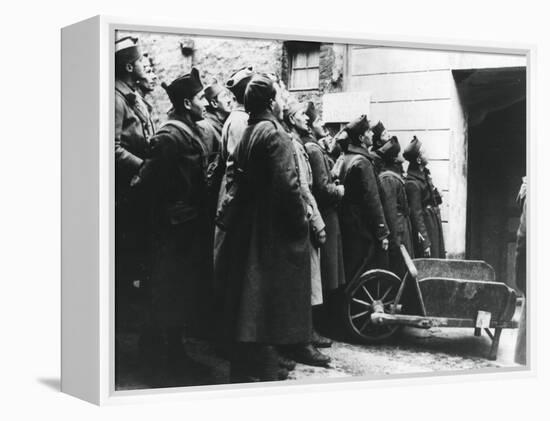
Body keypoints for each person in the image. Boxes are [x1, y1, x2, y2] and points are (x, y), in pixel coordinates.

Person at [214, 74, 312, 382]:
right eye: (280, 97)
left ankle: (250, 364)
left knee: (251, 300)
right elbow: (289, 186)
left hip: (251, 225)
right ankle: (264, 368)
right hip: (270, 230)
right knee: (269, 302)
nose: (283, 102)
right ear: (271, 103)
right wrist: (300, 222)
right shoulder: (274, 134)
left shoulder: (252, 130)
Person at [137, 68, 213, 369]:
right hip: (169, 234)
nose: (205, 103)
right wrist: (166, 219)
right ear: (185, 103)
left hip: (186, 230)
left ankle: (175, 354)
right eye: (199, 98)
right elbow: (146, 186)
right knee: (163, 295)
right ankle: (154, 364)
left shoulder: (189, 130)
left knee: (179, 295)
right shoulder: (169, 137)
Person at [114, 36, 156, 369]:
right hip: (126, 194)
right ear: (130, 66)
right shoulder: (114, 99)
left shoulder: (134, 97)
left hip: (140, 191)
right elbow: (111, 147)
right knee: (125, 269)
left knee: (138, 269)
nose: (146, 66)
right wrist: (144, 166)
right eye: (143, 61)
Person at [284, 101, 332, 366]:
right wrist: (318, 222)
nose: (306, 118)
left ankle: (307, 335)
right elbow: (303, 187)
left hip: (305, 215)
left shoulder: (298, 144)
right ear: (292, 119)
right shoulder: (293, 144)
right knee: (305, 282)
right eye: (302, 114)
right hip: (303, 217)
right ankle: (302, 341)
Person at [336, 115, 390, 283]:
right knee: (363, 271)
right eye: (368, 132)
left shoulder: (344, 158)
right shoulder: (363, 162)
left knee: (350, 269)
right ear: (361, 138)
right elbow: (373, 200)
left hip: (347, 224)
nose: (372, 134)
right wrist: (383, 233)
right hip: (362, 227)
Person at [303, 102, 346, 292]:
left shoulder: (313, 147)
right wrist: (339, 190)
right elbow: (322, 189)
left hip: (326, 216)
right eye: (318, 120)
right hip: (326, 217)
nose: (324, 125)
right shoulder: (313, 149)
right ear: (310, 125)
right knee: (328, 275)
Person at [404, 136, 446, 258]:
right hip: (427, 226)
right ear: (418, 160)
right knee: (431, 260)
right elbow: (416, 216)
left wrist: (437, 194)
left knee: (438, 257)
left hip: (433, 222)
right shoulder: (412, 183)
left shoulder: (425, 175)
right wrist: (425, 242)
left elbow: (433, 199)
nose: (428, 154)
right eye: (424, 152)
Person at [378, 136, 414, 276]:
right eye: (398, 154)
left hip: (402, 229)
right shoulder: (388, 179)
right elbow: (390, 212)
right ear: (394, 159)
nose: (402, 157)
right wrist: (395, 241)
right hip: (398, 232)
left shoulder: (393, 177)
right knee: (399, 268)